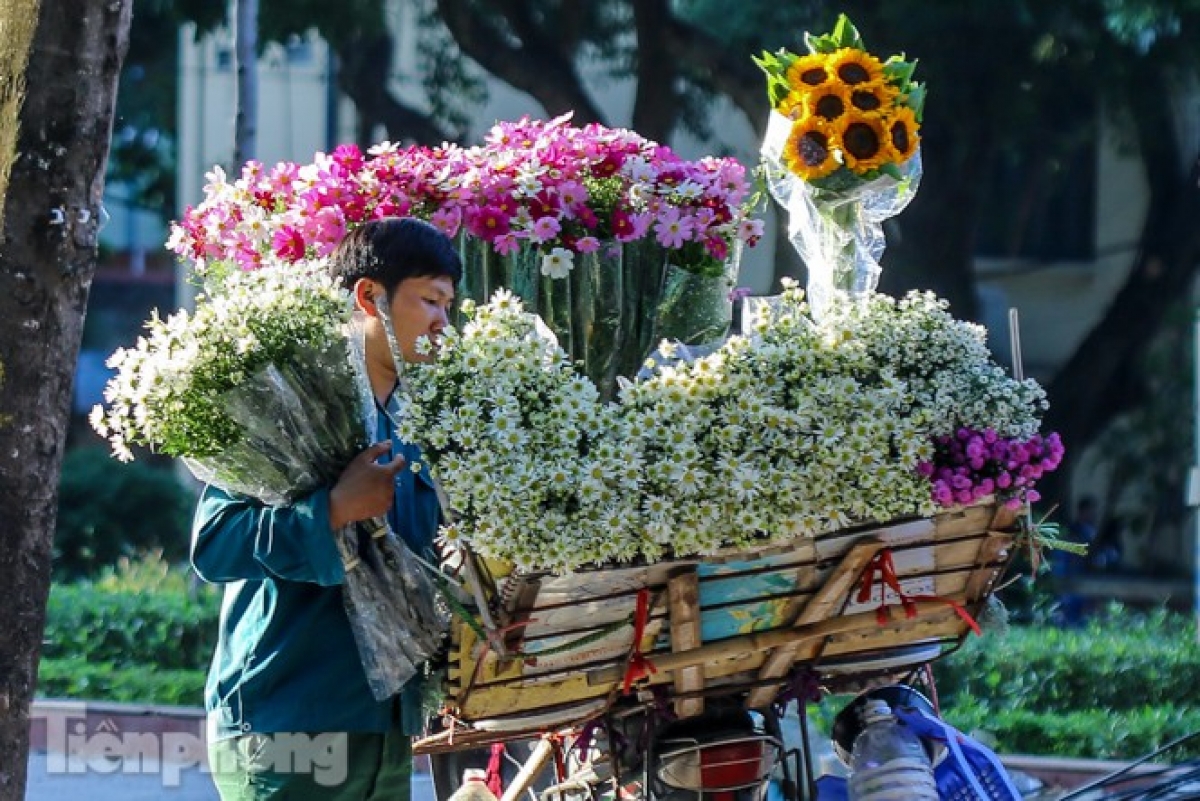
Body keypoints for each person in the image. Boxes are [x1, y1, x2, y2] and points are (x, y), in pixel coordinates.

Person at [192, 217, 461, 801]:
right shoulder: (290, 400)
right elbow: (214, 545)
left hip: (385, 728)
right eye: (431, 301)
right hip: (287, 719)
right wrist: (333, 508)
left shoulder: (425, 419)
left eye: (449, 305)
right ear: (370, 296)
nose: (444, 323)